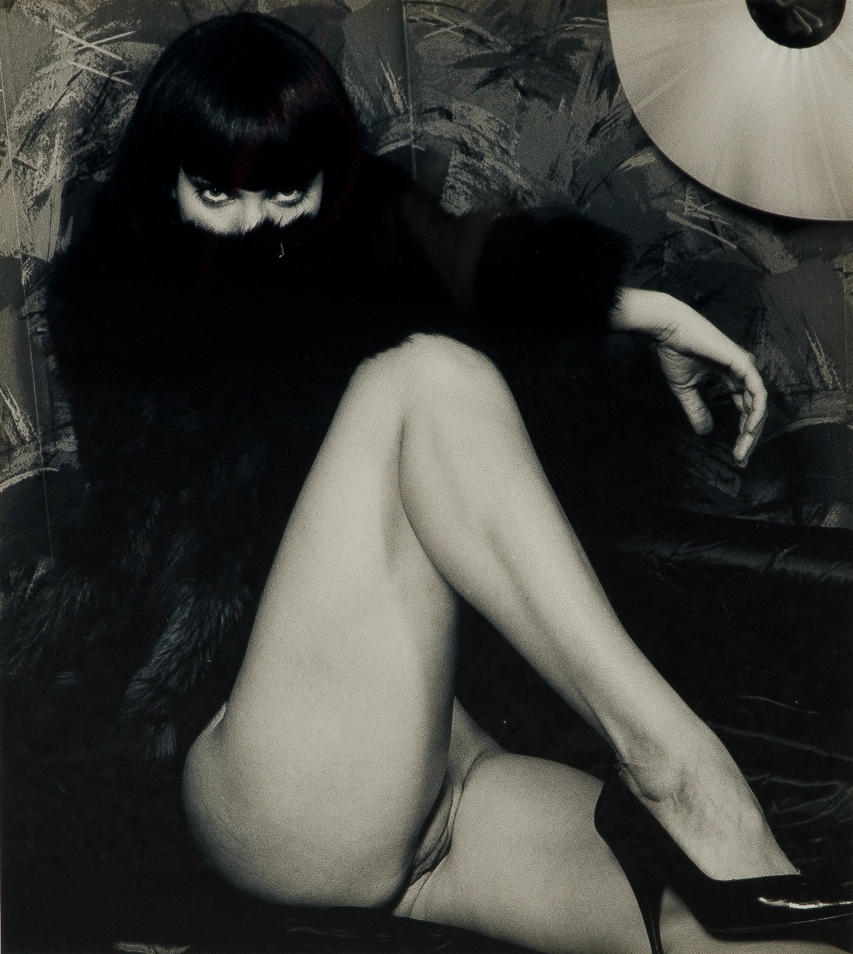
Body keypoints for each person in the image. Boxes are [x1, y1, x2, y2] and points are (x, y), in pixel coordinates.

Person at [3, 12, 849, 954]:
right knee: (428, 375)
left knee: (736, 931)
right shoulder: (123, 300)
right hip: (266, 783)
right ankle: (679, 765)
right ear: (167, 182)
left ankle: (694, 819)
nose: (253, 227)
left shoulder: (346, 259)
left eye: (285, 193)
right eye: (215, 194)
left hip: (441, 783)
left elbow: (435, 264)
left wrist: (644, 309)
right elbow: (309, 326)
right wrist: (425, 276)